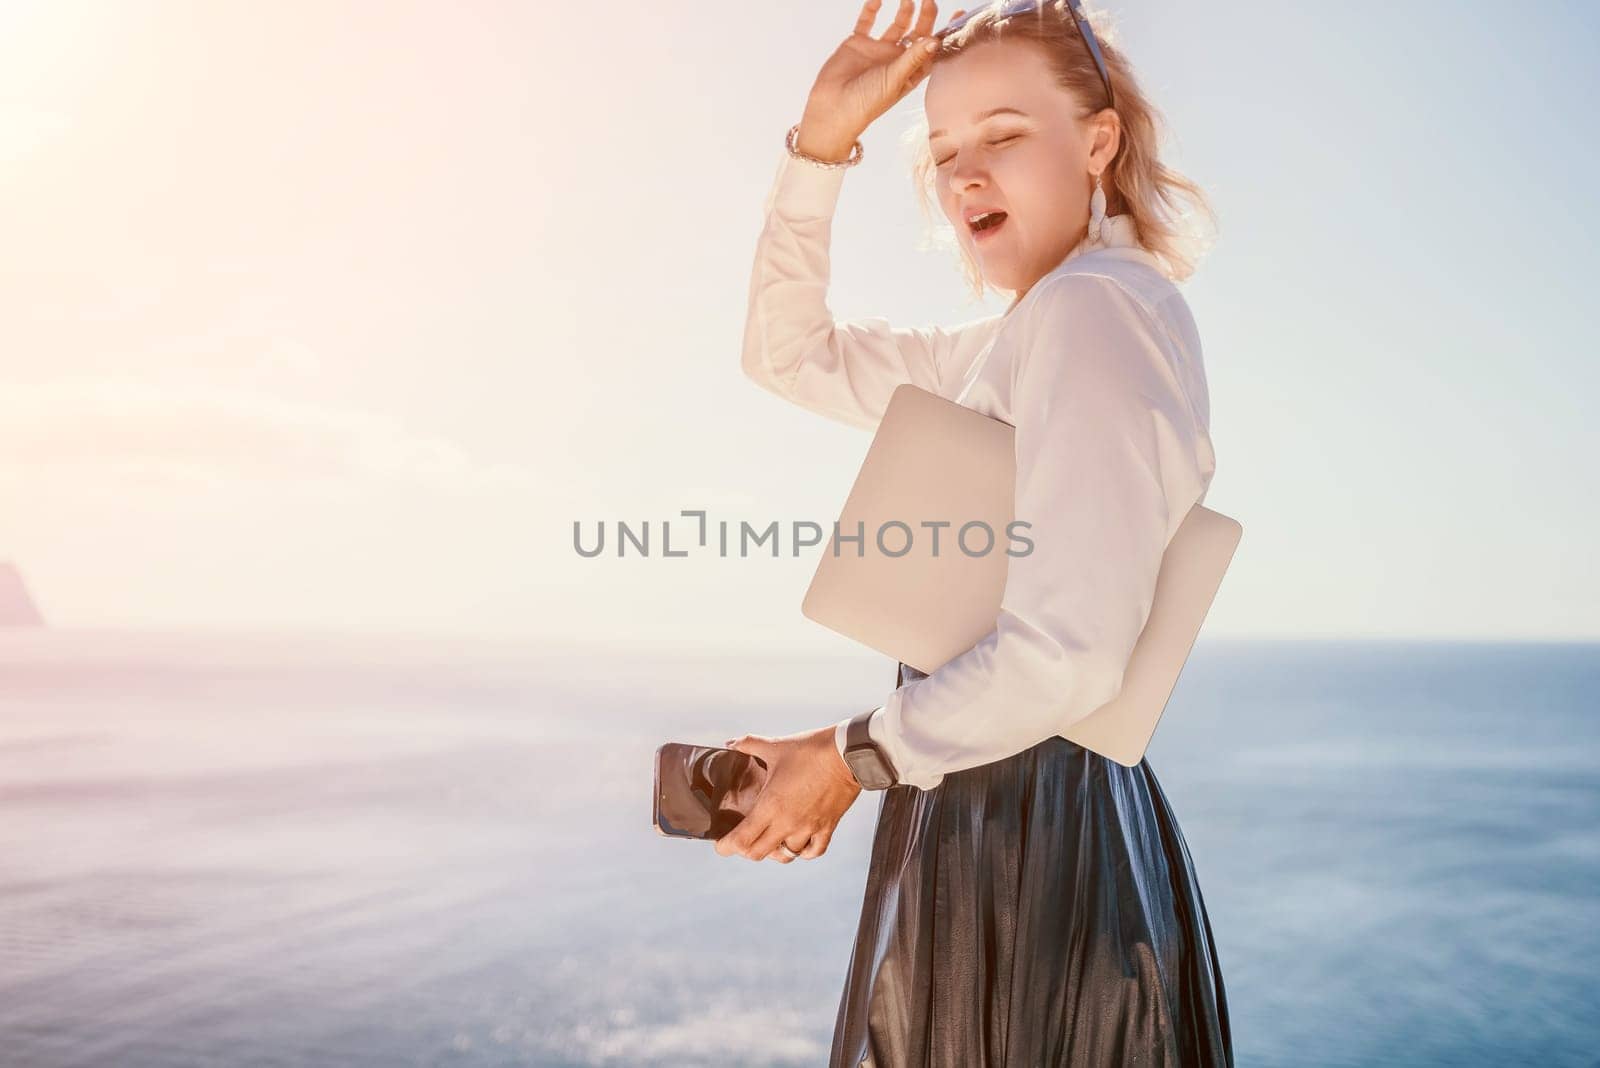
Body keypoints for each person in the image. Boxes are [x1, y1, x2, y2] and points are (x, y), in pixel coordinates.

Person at [714, 0, 1233, 1063]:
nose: (963, 175)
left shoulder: (1093, 311)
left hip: (1033, 836)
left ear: (1097, 141)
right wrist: (822, 141)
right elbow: (787, 353)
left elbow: (1070, 654)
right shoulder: (1031, 330)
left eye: (1002, 135)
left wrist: (847, 756)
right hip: (1003, 808)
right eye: (943, 150)